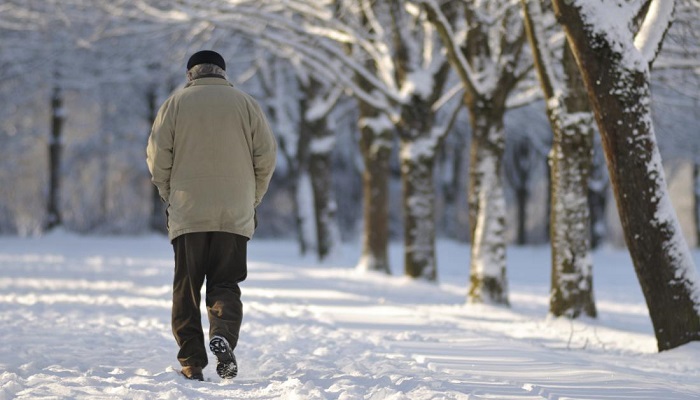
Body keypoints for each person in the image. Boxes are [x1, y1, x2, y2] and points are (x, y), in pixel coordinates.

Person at [146, 50, 277, 381]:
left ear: (191, 74)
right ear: (222, 72)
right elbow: (266, 157)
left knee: (186, 289)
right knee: (226, 283)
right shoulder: (246, 104)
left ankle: (191, 361)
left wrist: (170, 195)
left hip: (188, 210)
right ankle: (222, 335)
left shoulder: (174, 105)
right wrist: (251, 199)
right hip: (234, 212)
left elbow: (157, 158)